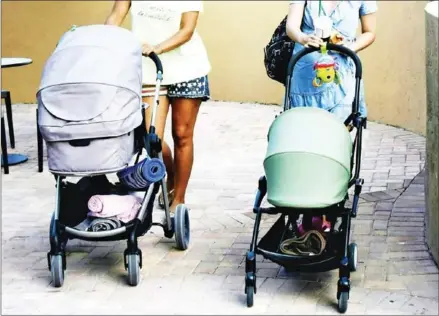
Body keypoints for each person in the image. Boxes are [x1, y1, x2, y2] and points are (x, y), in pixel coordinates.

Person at [105, 1, 211, 212]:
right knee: (153, 139)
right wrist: (103, 42)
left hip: (188, 69)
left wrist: (157, 48)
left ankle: (179, 198)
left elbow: (187, 29)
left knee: (182, 135)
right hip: (149, 68)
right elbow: (115, 18)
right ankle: (170, 174)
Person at [286, 0, 377, 122]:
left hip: (342, 74)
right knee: (304, 127)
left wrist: (349, 48)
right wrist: (303, 38)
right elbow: (292, 27)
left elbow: (370, 32)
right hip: (307, 75)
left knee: (339, 128)